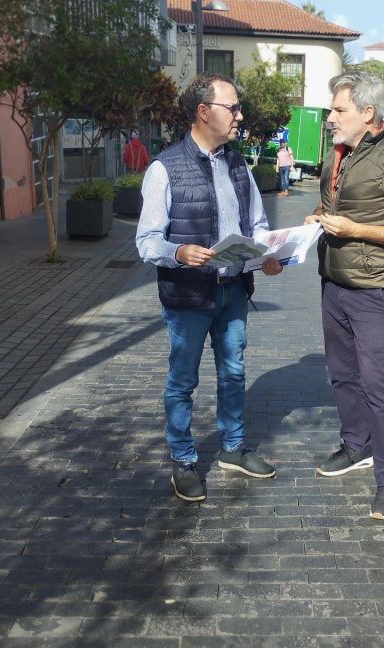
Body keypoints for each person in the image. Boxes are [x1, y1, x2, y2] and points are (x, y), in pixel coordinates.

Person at [136, 73, 284, 502]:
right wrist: (179, 253)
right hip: (188, 297)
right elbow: (146, 241)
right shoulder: (165, 168)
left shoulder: (238, 164)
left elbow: (256, 225)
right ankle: (183, 461)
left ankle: (233, 449)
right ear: (204, 112)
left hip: (234, 290)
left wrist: (269, 255)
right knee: (182, 381)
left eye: (238, 108)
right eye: (232, 108)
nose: (240, 115)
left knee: (233, 373)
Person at [303, 71, 384, 520]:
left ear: (367, 113)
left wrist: (354, 230)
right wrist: (315, 217)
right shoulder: (339, 154)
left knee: (378, 385)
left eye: (339, 110)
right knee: (341, 375)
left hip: (373, 291)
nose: (330, 117)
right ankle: (357, 446)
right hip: (332, 282)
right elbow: (334, 207)